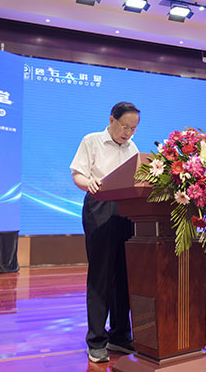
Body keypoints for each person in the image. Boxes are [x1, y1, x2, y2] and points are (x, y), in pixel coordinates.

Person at [70, 101, 140, 363]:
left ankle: (120, 335)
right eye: (124, 127)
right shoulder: (92, 141)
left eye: (133, 129)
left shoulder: (133, 148)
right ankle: (97, 340)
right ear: (112, 120)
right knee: (101, 275)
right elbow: (77, 175)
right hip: (99, 205)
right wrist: (89, 183)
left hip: (127, 210)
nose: (128, 133)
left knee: (125, 274)